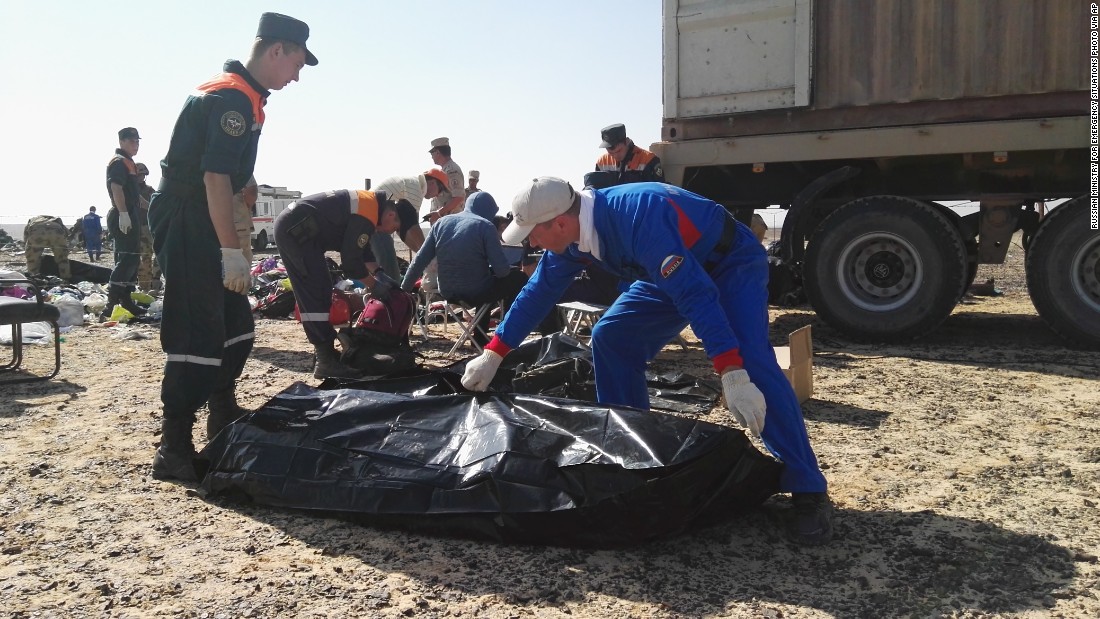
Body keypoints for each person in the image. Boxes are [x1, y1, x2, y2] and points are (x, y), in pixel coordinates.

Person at [460, 177, 834, 545]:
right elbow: (537, 292)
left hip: (727, 261)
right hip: (667, 270)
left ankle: (807, 488)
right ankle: (634, 457)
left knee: (749, 357)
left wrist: (731, 372)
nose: (531, 243)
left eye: (532, 234)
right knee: (612, 338)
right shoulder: (571, 238)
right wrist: (494, 353)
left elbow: (695, 293)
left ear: (559, 222)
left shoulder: (639, 216)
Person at [147, 12, 318, 482]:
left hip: (207, 212)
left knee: (235, 322)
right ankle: (175, 444)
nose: (298, 75)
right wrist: (230, 250)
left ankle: (222, 409)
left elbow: (228, 174)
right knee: (196, 325)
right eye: (298, 62)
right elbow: (213, 176)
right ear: (277, 50)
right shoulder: (230, 99)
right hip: (189, 216)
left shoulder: (247, 97)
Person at [274, 189, 424, 378]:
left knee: (321, 288)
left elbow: (363, 252)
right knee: (315, 291)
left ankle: (326, 355)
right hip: (296, 231)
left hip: (298, 228)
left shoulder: (370, 206)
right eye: (394, 228)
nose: (389, 232)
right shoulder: (367, 211)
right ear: (392, 214)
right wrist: (373, 285)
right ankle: (325, 360)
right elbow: (351, 263)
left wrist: (379, 274)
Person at [401, 192, 527, 345]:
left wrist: (403, 290)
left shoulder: (441, 223)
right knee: (518, 279)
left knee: (486, 281)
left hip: (447, 292)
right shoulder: (485, 226)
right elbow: (502, 271)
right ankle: (507, 334)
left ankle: (480, 336)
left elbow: (419, 261)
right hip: (476, 292)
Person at [102, 127, 147, 318]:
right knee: (126, 259)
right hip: (122, 214)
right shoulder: (119, 162)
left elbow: (135, 196)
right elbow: (116, 188)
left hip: (131, 212)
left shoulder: (130, 163)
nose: (135, 144)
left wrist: (153, 206)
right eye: (131, 141)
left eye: (137, 141)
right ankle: (111, 303)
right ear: (121, 142)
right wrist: (123, 213)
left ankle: (126, 300)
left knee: (132, 259)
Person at [369, 170, 449, 277]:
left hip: (372, 219)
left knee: (386, 267)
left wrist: (423, 256)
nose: (438, 195)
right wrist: (429, 257)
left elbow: (403, 230)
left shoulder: (411, 184)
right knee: (391, 271)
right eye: (440, 190)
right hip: (374, 221)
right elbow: (412, 229)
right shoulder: (415, 189)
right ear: (433, 182)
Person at [587, 123, 664, 189]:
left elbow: (658, 191)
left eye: (619, 151)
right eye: (610, 152)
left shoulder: (648, 160)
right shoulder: (602, 162)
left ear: (626, 142)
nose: (615, 155)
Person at [134, 162, 163, 292]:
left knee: (153, 254)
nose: (141, 178)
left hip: (148, 226)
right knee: (140, 257)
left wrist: (147, 205)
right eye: (139, 175)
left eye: (143, 175)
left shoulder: (149, 190)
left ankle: (152, 283)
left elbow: (156, 206)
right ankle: (143, 285)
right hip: (135, 227)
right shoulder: (129, 189)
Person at [427, 137, 464, 223]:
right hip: (445, 221)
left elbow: (458, 197)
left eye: (432, 153)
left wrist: (439, 213)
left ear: (437, 152)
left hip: (451, 222)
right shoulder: (445, 170)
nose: (431, 156)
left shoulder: (451, 170)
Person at [23, 215, 72, 281]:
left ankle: (33, 278)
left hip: (37, 231)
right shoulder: (57, 220)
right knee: (62, 260)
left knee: (32, 260)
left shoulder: (33, 220)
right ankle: (65, 279)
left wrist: (29, 250)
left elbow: (26, 237)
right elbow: (67, 234)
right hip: (57, 230)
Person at [234, 176, 259, 261]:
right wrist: (245, 208)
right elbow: (251, 193)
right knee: (241, 261)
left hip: (204, 221)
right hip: (237, 220)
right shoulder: (237, 163)